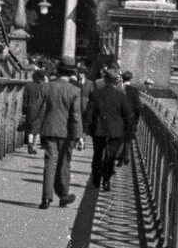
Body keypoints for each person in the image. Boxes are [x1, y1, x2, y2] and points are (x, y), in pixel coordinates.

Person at [37, 59, 84, 208]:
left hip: (49, 129)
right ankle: (63, 196)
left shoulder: (46, 87)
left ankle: (46, 198)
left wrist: (33, 130)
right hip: (67, 132)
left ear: (58, 70)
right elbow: (76, 116)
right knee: (65, 163)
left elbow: (36, 109)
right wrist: (79, 136)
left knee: (49, 163)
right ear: (71, 74)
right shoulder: (75, 91)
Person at [84, 64, 136, 191]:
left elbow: (89, 113)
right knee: (111, 156)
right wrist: (128, 130)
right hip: (116, 130)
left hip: (99, 129)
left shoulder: (96, 94)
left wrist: (87, 129)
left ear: (105, 80)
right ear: (116, 82)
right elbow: (128, 115)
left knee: (97, 154)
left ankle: (96, 181)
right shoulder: (121, 96)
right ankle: (106, 181)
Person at [20, 66, 47, 155]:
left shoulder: (28, 86)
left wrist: (24, 111)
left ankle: (30, 142)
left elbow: (25, 99)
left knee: (31, 127)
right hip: (41, 110)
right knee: (38, 129)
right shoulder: (43, 86)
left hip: (30, 109)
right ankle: (34, 146)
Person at [120, 69, 141, 166]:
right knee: (128, 136)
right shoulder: (134, 90)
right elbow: (137, 106)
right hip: (130, 116)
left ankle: (119, 154)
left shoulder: (119, 89)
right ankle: (126, 154)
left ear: (122, 78)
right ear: (130, 79)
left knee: (119, 135)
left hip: (119, 116)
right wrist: (136, 119)